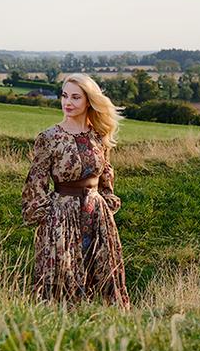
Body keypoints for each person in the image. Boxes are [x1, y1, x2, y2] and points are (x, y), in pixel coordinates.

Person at [21, 73, 131, 309]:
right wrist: (48, 214)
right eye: (64, 96)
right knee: (66, 275)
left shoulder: (98, 135)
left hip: (97, 214)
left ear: (89, 101)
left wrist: (106, 199)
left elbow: (106, 172)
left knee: (101, 272)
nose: (67, 103)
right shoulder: (49, 137)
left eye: (75, 97)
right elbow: (36, 180)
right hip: (62, 215)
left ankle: (105, 325)